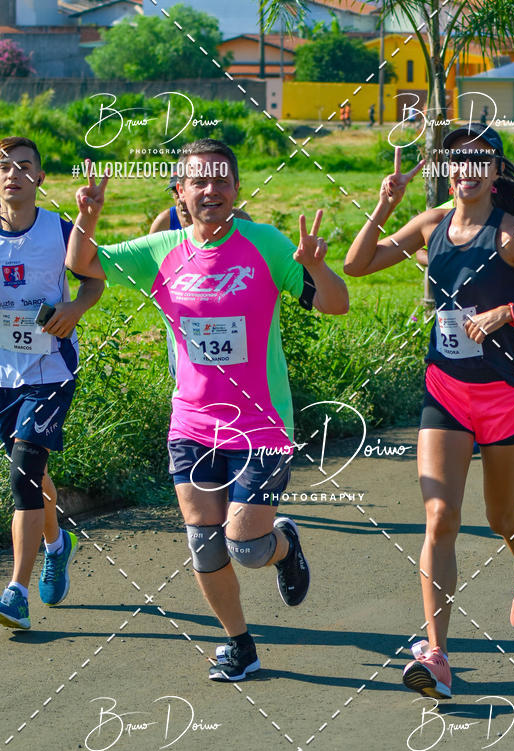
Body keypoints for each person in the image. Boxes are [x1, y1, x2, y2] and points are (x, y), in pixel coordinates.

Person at [66, 138, 349, 682]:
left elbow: (336, 303)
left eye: (222, 179)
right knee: (204, 540)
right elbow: (83, 263)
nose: (211, 189)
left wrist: (315, 265)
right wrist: (89, 216)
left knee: (245, 545)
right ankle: (240, 644)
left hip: (262, 426)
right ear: (180, 192)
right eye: (199, 180)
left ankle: (284, 545)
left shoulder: (264, 244)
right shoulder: (161, 249)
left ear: (237, 189)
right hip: (192, 423)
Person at [344, 123, 514, 699]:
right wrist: (383, 205)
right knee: (440, 518)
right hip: (446, 388)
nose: (466, 171)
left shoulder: (512, 236)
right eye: (456, 161)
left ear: (496, 174)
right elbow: (357, 265)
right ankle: (438, 655)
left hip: (503, 392)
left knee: (502, 519)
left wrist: (510, 315)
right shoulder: (431, 225)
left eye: (479, 162)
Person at [0, 136, 104, 631]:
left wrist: (76, 307)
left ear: (40, 178)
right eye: (5, 167)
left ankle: (15, 591)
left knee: (22, 475)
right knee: (32, 473)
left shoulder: (59, 230)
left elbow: (95, 278)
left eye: (24, 167)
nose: (13, 174)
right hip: (2, 375)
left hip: (51, 371)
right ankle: (57, 544)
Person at [149, 174, 252, 379]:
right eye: (176, 193)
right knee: (185, 373)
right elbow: (153, 274)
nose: (181, 200)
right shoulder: (164, 223)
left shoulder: (238, 220)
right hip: (185, 315)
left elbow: (253, 262)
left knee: (238, 371)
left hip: (231, 313)